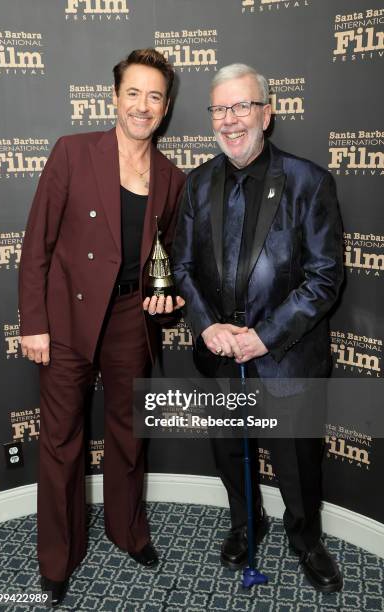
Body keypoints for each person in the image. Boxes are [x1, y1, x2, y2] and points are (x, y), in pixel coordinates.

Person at [19, 48, 186, 606]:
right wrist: (35, 323)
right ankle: (58, 559)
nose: (142, 105)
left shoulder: (171, 178)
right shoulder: (72, 153)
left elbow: (170, 259)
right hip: (66, 320)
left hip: (128, 321)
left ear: (165, 109)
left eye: (154, 96)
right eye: (133, 93)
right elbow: (36, 245)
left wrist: (168, 299)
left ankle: (127, 531)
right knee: (62, 443)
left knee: (128, 436)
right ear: (114, 98)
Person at [172, 63, 344, 592]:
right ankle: (246, 525)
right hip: (220, 354)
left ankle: (305, 538)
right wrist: (206, 327)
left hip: (285, 356)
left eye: (241, 106)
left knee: (298, 462)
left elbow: (324, 278)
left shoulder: (308, 182)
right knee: (230, 452)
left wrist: (263, 336)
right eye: (220, 109)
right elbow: (181, 267)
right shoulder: (197, 183)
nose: (230, 120)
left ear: (266, 114)